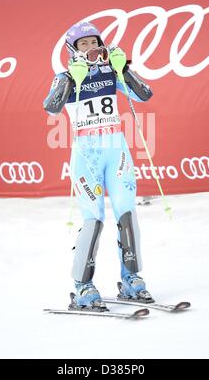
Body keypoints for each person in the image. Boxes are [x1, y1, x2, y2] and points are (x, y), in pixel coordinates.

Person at [43, 22, 154, 310]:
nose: (91, 48)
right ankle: (83, 286)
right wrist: (71, 80)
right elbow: (52, 106)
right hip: (87, 154)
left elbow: (144, 94)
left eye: (95, 42)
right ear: (73, 50)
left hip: (116, 151)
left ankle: (132, 280)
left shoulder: (110, 72)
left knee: (127, 214)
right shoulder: (65, 76)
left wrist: (124, 68)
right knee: (93, 220)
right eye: (84, 44)